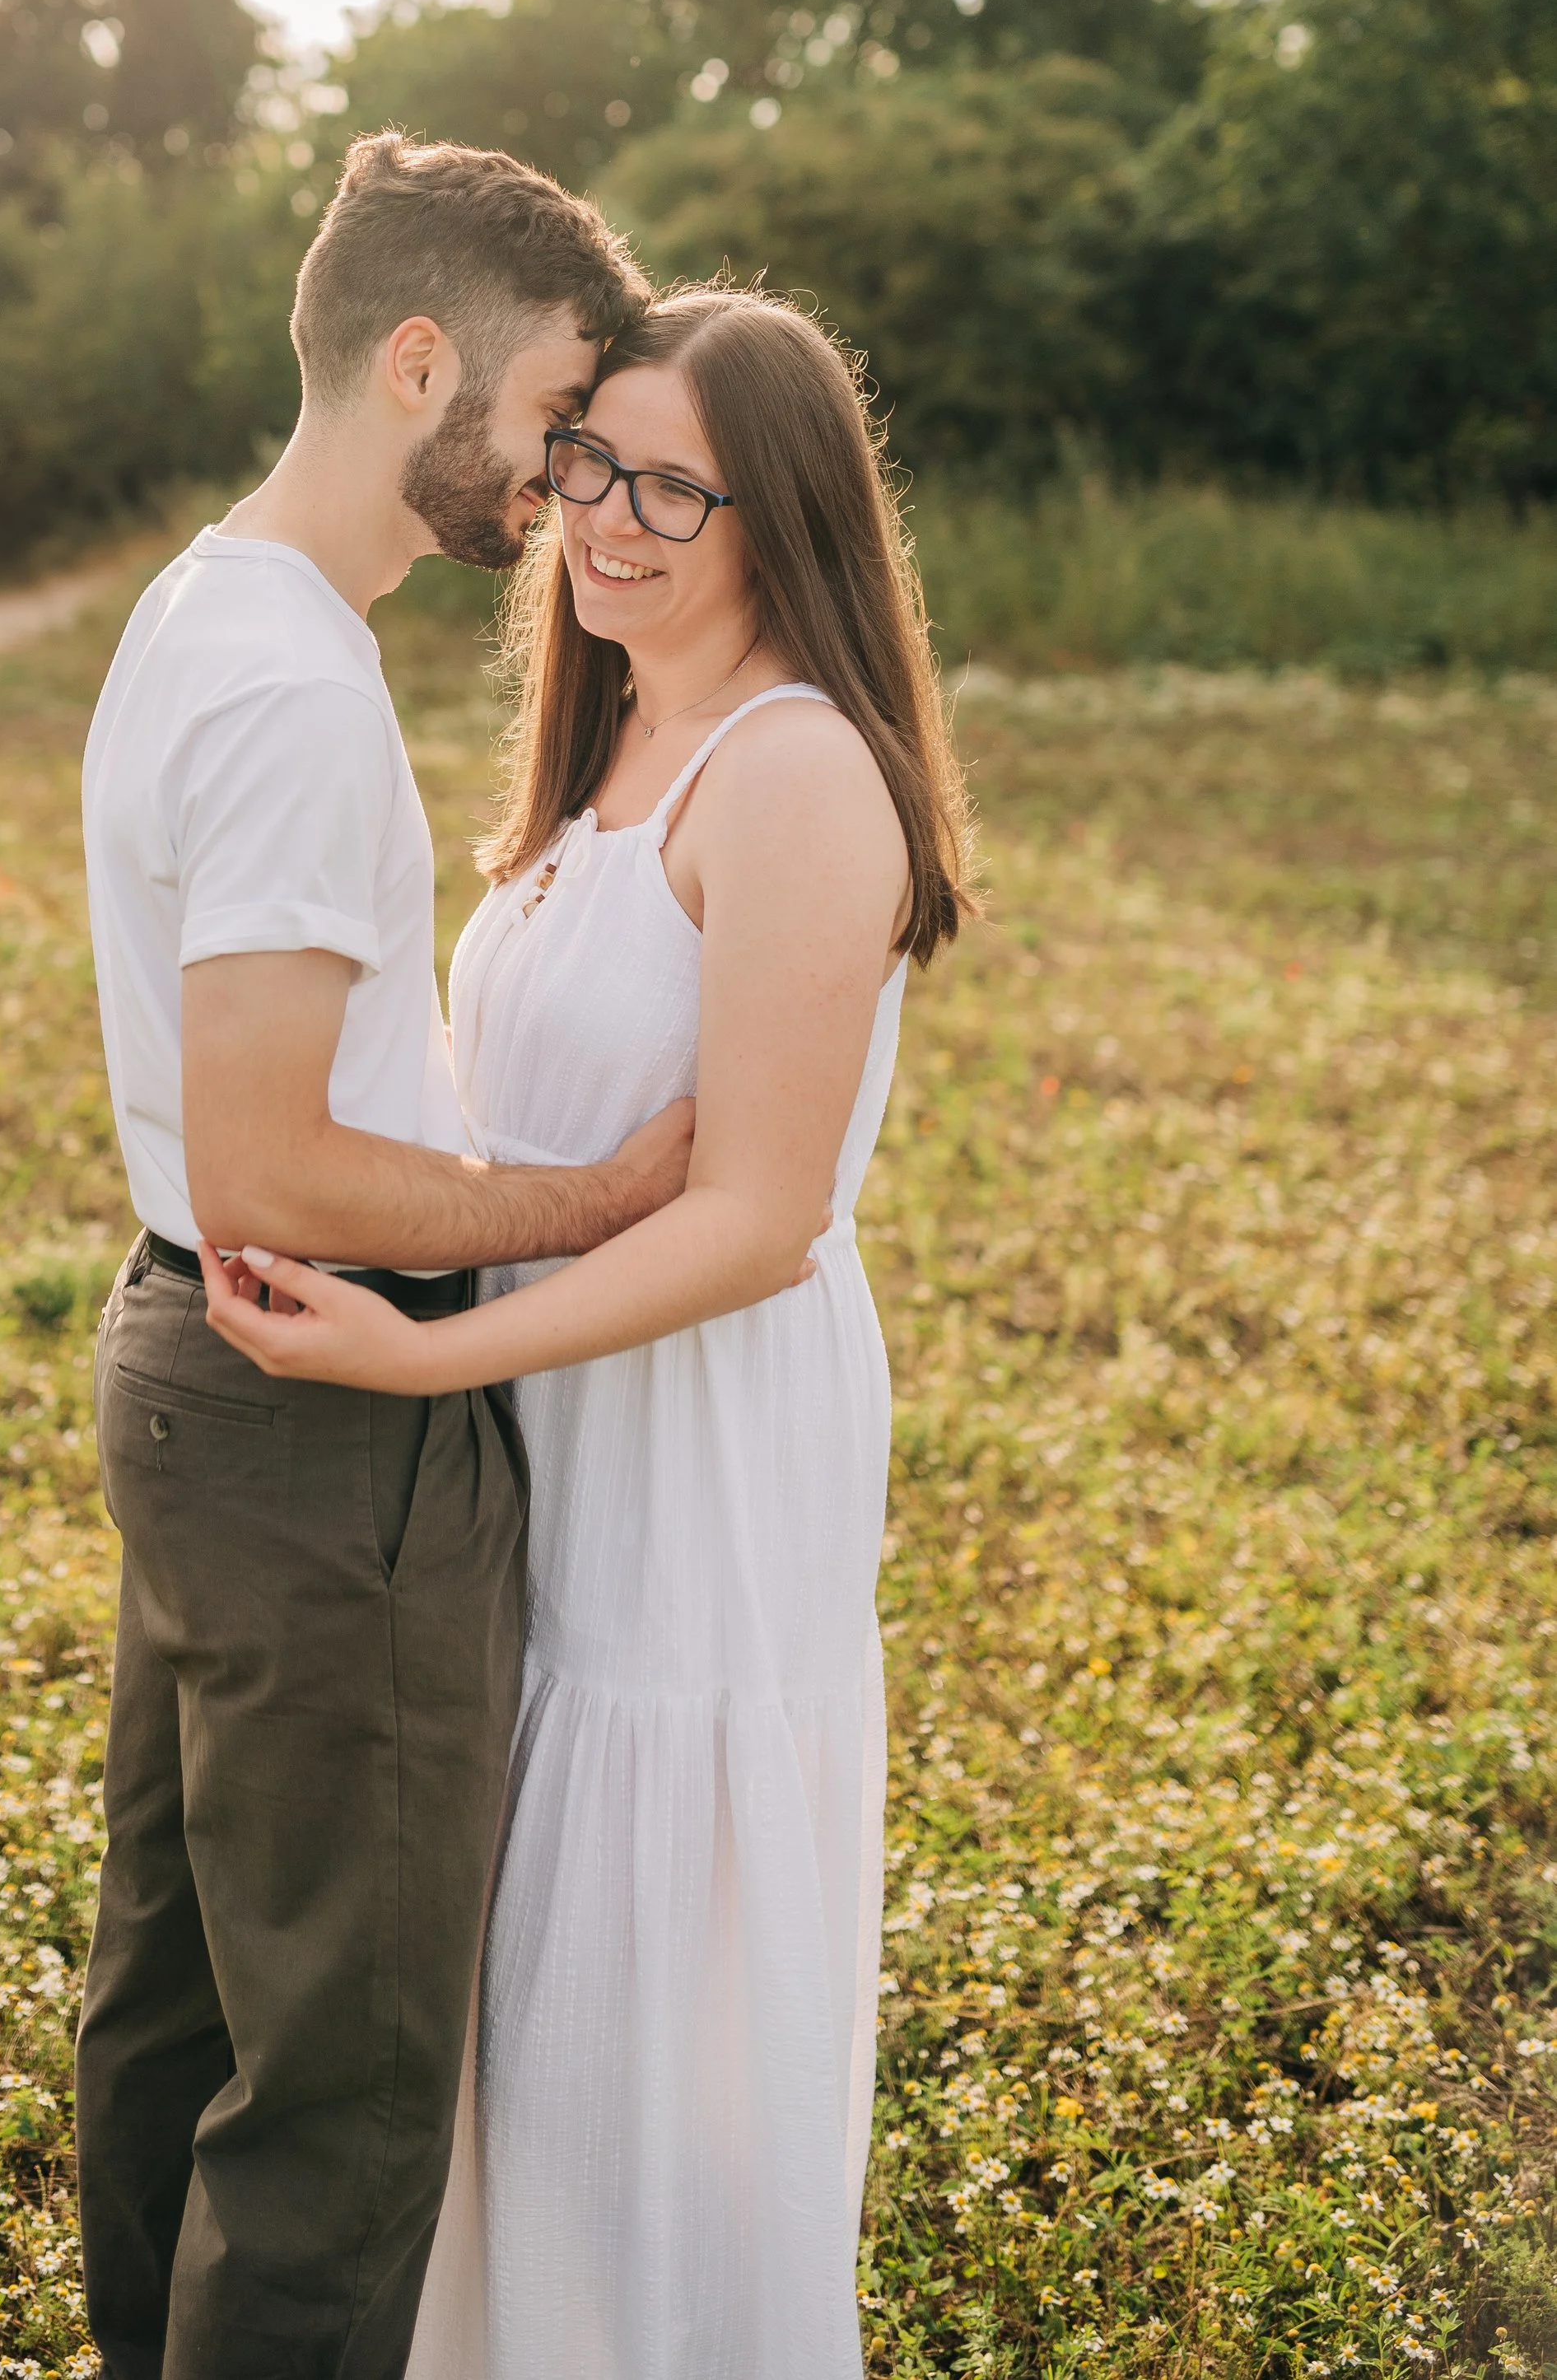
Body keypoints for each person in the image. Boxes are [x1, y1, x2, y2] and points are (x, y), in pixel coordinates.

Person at [201, 287, 976, 2380]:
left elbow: (759, 1217)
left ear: (781, 510)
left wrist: (424, 1355)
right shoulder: (602, 738)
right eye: (584, 467)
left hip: (697, 1447)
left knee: (649, 2007)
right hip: (554, 1444)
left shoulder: (795, 770)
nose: (605, 521)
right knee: (527, 2005)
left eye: (670, 485)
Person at [76, 132, 699, 2380]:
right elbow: (277, 1162)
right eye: (544, 421)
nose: (553, 484)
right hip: (316, 1412)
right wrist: (602, 1192)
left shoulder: (205, 607)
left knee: (177, 2005)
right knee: (333, 2096)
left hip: (198, 1370)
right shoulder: (294, 691)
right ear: (414, 357)